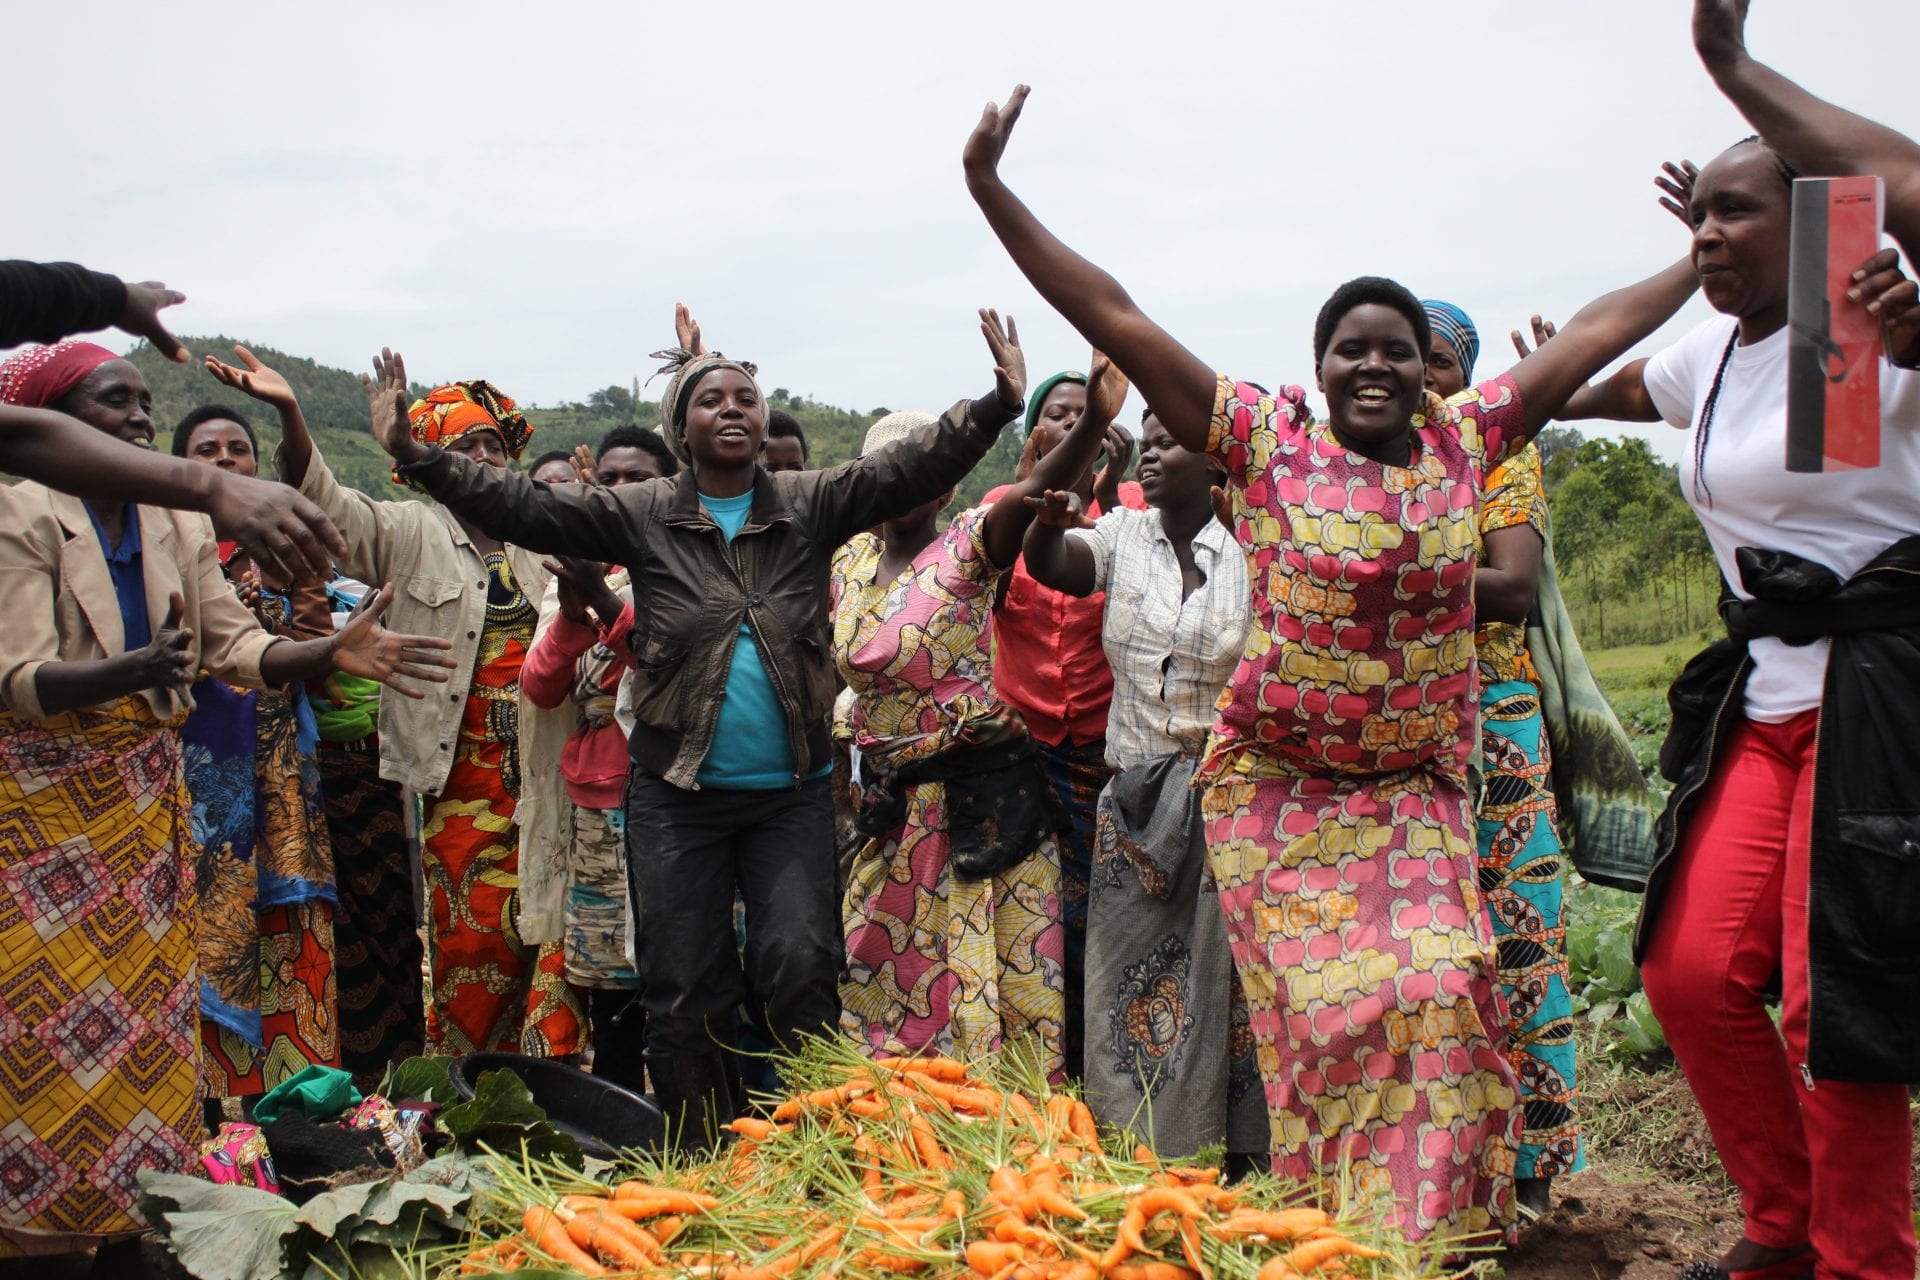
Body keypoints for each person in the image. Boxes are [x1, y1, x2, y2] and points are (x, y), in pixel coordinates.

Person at [964, 83, 1700, 1241]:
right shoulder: (1265, 441)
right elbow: (1112, 308)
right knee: (1333, 1023)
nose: (1376, 365)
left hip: (1414, 788)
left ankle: (1435, 1237)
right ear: (1318, 366)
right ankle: (1345, 1235)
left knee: (1445, 992)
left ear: (1423, 369)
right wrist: (992, 192)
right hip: (1282, 789)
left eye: (1397, 351)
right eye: (1351, 347)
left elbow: (1599, 333)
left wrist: (1696, 264)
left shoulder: (1471, 440)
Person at [364, 310, 1029, 1147]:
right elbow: (523, 503)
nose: (732, 409)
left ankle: (814, 1146)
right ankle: (703, 1157)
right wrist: (419, 457)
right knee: (682, 987)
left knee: (798, 967)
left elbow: (909, 468)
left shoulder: (808, 500)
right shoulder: (640, 512)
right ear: (681, 428)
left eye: (745, 397)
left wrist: (999, 404)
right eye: (710, 398)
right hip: (677, 795)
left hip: (789, 794)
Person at [1544, 6, 1920, 1275]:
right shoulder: (1710, 358)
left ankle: (1865, 1255)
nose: (1709, 231)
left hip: (1881, 695)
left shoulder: (1870, 335)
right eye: (1697, 211)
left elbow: (1904, 185)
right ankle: (1781, 1223)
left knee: (1835, 1004)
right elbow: (1606, 384)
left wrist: (1738, 73)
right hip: (1765, 696)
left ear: (1813, 217)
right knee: (1690, 969)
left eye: (1740, 211)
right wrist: (1540, 377)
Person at [0, 340, 450, 1260]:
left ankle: (133, 1220)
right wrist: (132, 672)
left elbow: (236, 645)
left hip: (145, 815)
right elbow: (14, 678)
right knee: (34, 1032)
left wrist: (323, 653)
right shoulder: (17, 511)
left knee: (152, 1029)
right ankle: (32, 1231)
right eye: (109, 401)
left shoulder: (175, 522)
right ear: (48, 428)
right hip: (38, 816)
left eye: (139, 401)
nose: (136, 415)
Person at [203, 345, 587, 1060]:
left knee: (558, 942)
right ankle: (479, 1102)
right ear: (427, 460)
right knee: (472, 948)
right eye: (462, 446)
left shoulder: (546, 534)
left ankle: (553, 1100)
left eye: (492, 445)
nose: (483, 458)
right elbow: (325, 505)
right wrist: (291, 413)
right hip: (460, 789)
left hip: (552, 778)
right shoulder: (411, 533)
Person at [835, 345, 1118, 1082]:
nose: (902, 483)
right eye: (885, 470)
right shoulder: (846, 563)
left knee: (994, 979)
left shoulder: (969, 546)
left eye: (922, 467)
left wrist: (1092, 420)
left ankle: (1005, 1135)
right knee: (885, 981)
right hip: (888, 804)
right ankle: (898, 1130)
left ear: (948, 481)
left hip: (981, 802)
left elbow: (1039, 485)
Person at [1020, 406, 1265, 1163]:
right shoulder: (1123, 536)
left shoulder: (1254, 555)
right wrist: (1045, 521)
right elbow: (1052, 564)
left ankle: (1243, 1153)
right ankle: (1144, 1150)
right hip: (1133, 797)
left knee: (1231, 984)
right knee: (1131, 975)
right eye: (1146, 444)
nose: (1149, 457)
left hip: (1230, 794)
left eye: (1169, 443)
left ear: (1217, 462)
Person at [1421, 301, 1581, 1214]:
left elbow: (1512, 589)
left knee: (1519, 945)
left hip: (1496, 724)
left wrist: (1386, 564)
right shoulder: (1372, 464)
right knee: (1436, 958)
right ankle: (1449, 1164)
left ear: (1468, 375)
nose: (1425, 381)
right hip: (1410, 723)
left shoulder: (1501, 455)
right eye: (1415, 362)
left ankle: (1531, 1170)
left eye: (1441, 363)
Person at [170, 402, 341, 1098]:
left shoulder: (288, 549)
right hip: (191, 782)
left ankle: (302, 1115)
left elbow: (320, 664)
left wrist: (306, 591)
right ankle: (211, 1116)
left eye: (237, 449)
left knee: (289, 930)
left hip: (279, 778)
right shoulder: (160, 543)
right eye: (205, 449)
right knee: (198, 932)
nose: (224, 460)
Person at [983, 368, 1146, 1080]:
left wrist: (1111, 488)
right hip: (1022, 744)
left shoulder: (1135, 510)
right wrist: (1026, 500)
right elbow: (974, 601)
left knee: (1100, 913)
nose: (1077, 427)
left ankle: (1097, 1067)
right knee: (1025, 911)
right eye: (1058, 414)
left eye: (1090, 414)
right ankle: (1032, 1066)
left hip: (1104, 750)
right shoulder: (999, 507)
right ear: (1035, 432)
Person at [518, 425, 676, 1094]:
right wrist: (573, 614)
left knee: (680, 967)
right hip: (597, 810)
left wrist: (606, 605)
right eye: (607, 478)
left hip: (676, 798)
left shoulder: (684, 565)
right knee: (612, 984)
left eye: (635, 476)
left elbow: (673, 668)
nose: (619, 489)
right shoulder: (570, 577)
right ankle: (620, 1130)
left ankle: (692, 1122)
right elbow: (542, 685)